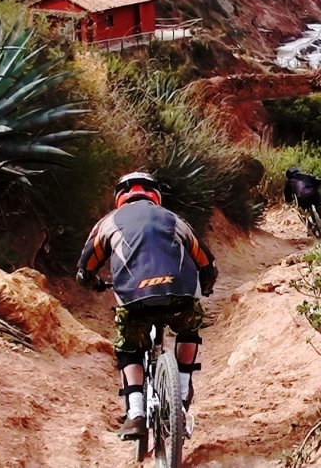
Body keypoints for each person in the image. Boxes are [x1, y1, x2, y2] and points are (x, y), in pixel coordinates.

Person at [76, 172, 218, 439]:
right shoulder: (174, 220)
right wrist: (206, 287)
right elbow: (207, 263)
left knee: (130, 346)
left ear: (120, 196)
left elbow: (85, 269)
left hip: (134, 298)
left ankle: (136, 413)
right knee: (188, 327)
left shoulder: (108, 223)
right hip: (180, 294)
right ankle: (184, 388)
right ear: (156, 195)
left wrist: (94, 283)